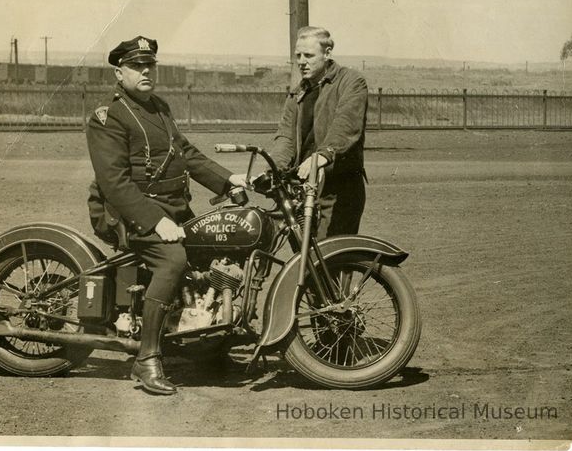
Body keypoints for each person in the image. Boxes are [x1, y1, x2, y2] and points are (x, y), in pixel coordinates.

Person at [86, 35, 247, 395]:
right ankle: (146, 359)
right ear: (118, 72)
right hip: (126, 213)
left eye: (149, 65)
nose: (145, 71)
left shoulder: (159, 107)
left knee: (214, 248)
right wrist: (155, 221)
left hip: (172, 209)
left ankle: (209, 345)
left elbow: (186, 154)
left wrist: (226, 181)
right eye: (136, 66)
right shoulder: (106, 117)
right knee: (172, 261)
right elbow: (114, 183)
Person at [270, 26, 368, 238]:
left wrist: (323, 155)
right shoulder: (298, 92)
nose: (302, 61)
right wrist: (273, 167)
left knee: (331, 260)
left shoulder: (350, 82)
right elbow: (286, 135)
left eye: (309, 55)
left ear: (327, 53)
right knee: (305, 261)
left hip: (338, 188)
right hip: (303, 190)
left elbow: (346, 124)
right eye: (298, 55)